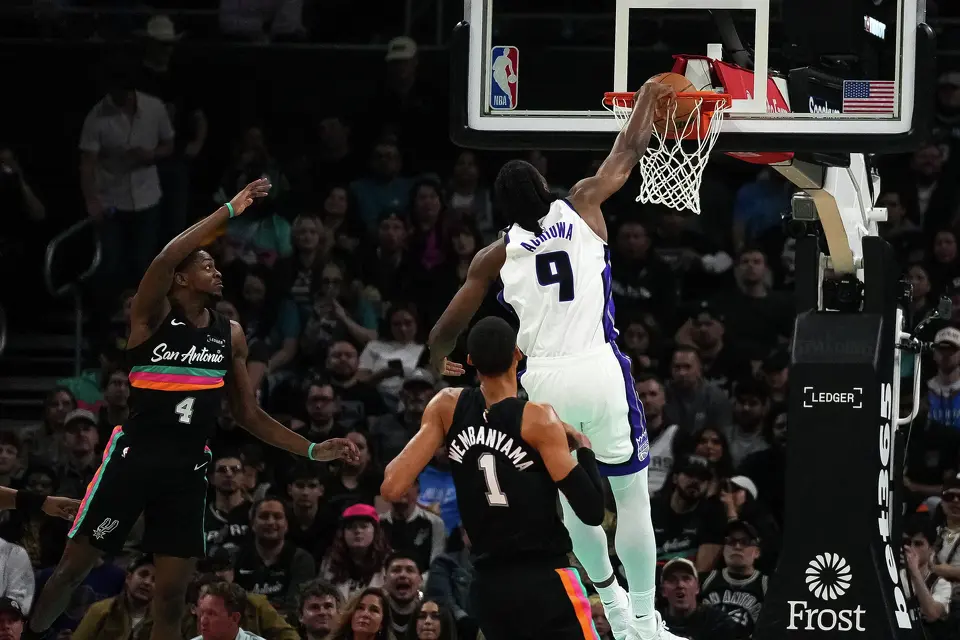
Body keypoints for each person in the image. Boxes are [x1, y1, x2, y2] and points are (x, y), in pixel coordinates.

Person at [27, 178, 360, 640]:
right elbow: (165, 257)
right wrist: (228, 209)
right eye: (206, 264)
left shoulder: (231, 335)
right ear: (182, 279)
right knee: (72, 569)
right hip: (133, 461)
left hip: (186, 473)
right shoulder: (151, 318)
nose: (217, 270)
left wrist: (310, 450)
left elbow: (248, 415)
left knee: (171, 599)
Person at [427, 82, 679, 640]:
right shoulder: (583, 204)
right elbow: (629, 150)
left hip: (539, 383)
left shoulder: (494, 255)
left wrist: (449, 368)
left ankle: (611, 606)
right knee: (632, 494)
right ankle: (644, 621)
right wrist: (651, 97)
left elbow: (442, 334)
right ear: (546, 189)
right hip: (597, 367)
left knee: (573, 502)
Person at [382, 317, 608, 639]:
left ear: (471, 360)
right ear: (518, 354)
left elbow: (391, 486)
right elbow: (591, 510)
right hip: (544, 577)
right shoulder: (538, 418)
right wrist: (584, 449)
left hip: (488, 586)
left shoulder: (447, 406)